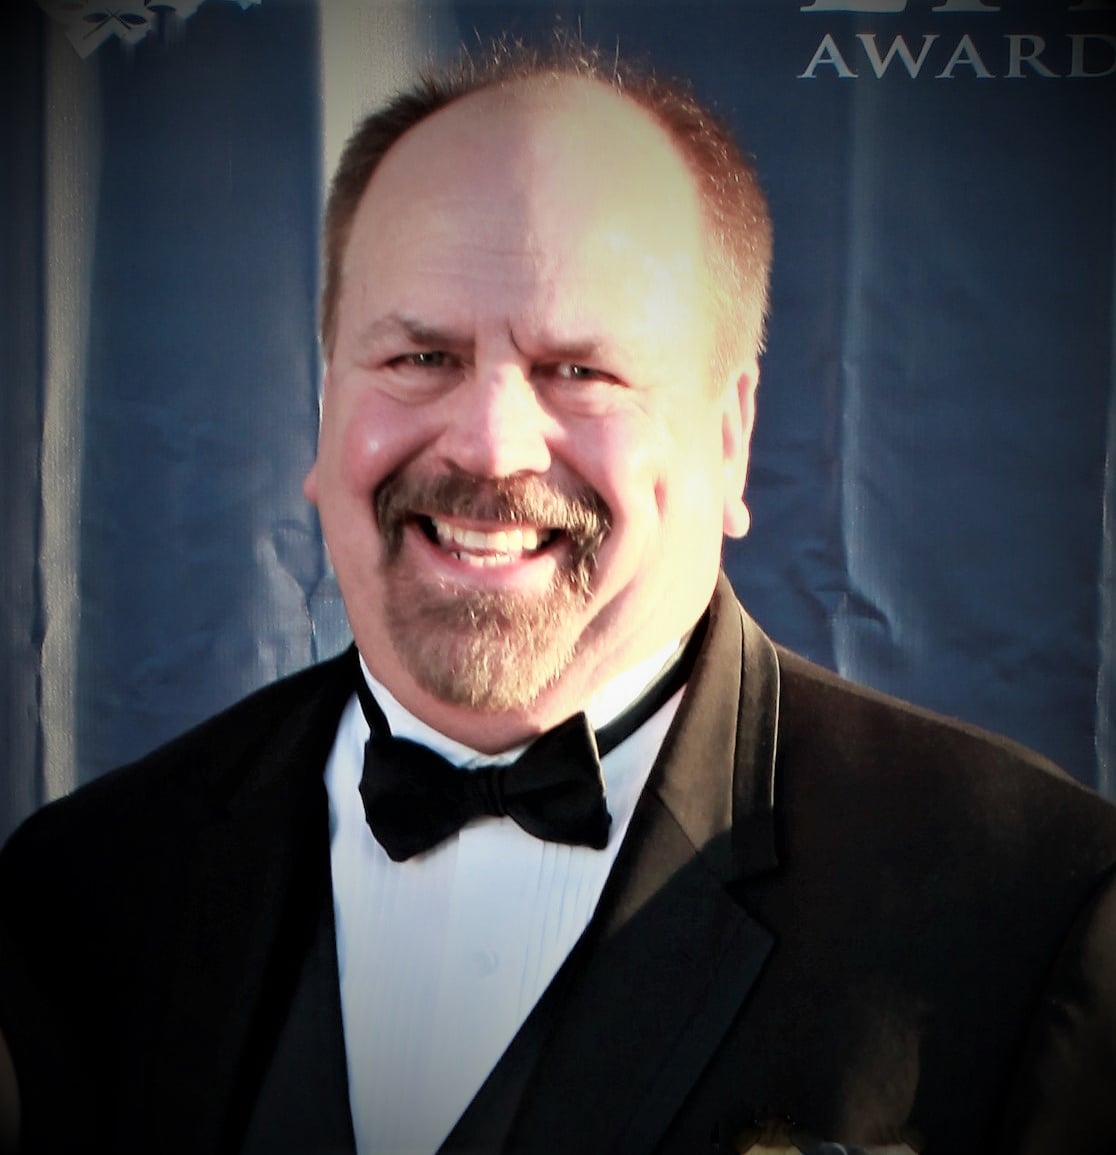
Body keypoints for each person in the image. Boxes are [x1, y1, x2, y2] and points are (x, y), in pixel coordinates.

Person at [2, 34, 1116, 1155]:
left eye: (579, 370)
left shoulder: (1030, 915)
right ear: (326, 401)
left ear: (729, 438)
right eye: (421, 358)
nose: (490, 445)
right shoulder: (80, 892)